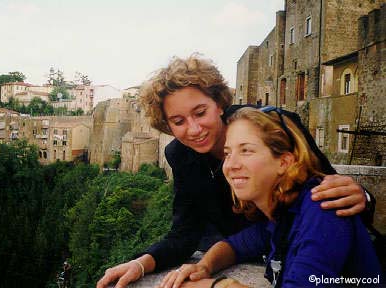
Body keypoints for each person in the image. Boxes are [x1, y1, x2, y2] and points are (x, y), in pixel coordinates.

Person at [96, 54, 370, 288]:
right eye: (178, 121)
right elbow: (187, 231)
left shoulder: (270, 127)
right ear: (168, 126)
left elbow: (328, 194)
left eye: (200, 112)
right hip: (264, 247)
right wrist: (143, 263)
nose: (194, 129)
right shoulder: (180, 154)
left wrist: (364, 197)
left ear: (219, 103)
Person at [160, 107, 382, 288]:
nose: (231, 165)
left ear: (284, 162)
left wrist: (217, 285)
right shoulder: (282, 215)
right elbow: (235, 246)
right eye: (228, 153)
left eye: (246, 150)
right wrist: (203, 267)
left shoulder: (321, 208)